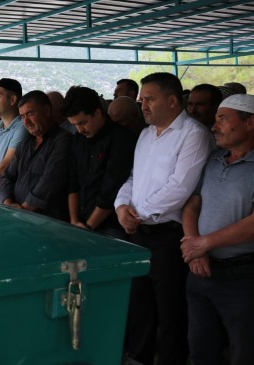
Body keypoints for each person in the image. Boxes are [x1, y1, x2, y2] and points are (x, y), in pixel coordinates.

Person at [114, 72, 212, 365]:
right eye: (142, 99)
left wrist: (137, 214)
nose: (142, 105)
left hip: (169, 234)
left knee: (170, 311)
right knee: (140, 305)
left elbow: (180, 188)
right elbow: (134, 178)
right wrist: (121, 207)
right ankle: (140, 359)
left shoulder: (194, 135)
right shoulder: (146, 135)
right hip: (139, 230)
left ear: (172, 101)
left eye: (150, 99)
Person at [181, 94, 254, 365]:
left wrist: (205, 243)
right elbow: (192, 204)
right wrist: (194, 246)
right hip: (201, 270)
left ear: (250, 123)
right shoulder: (214, 159)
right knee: (200, 349)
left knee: (243, 352)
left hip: (242, 277)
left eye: (223, 119)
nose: (214, 126)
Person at [64, 87, 136, 238]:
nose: (79, 129)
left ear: (97, 113)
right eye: (74, 124)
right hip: (79, 222)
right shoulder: (78, 139)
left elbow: (110, 190)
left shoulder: (121, 139)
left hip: (111, 225)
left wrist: (88, 228)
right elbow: (72, 181)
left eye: (82, 123)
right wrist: (74, 221)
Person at [0, 90, 71, 219]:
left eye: (30, 114)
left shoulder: (62, 139)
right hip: (17, 214)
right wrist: (8, 202)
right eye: (22, 116)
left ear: (47, 111)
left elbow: (51, 180)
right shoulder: (25, 143)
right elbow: (7, 176)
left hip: (46, 220)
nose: (26, 122)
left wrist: (24, 208)